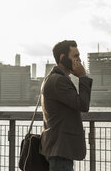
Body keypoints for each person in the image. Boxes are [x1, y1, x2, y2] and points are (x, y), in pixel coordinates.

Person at [40, 40, 93, 171]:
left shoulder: (53, 78)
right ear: (63, 57)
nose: (79, 60)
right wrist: (83, 77)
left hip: (57, 149)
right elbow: (83, 104)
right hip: (60, 152)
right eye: (75, 56)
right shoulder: (59, 81)